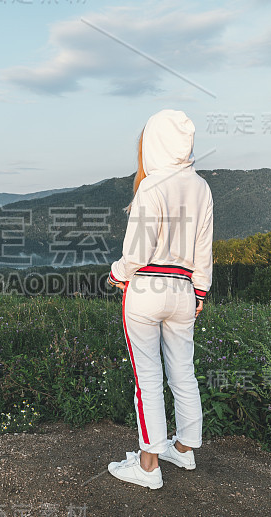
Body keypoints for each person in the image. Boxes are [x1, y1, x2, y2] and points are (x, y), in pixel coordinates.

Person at [106, 109, 214, 490]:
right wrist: (200, 291)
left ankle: (148, 466)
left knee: (147, 379)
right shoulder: (202, 188)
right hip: (185, 290)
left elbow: (136, 253)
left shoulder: (150, 188)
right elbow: (204, 250)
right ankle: (183, 449)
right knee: (184, 373)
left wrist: (117, 274)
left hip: (147, 289)